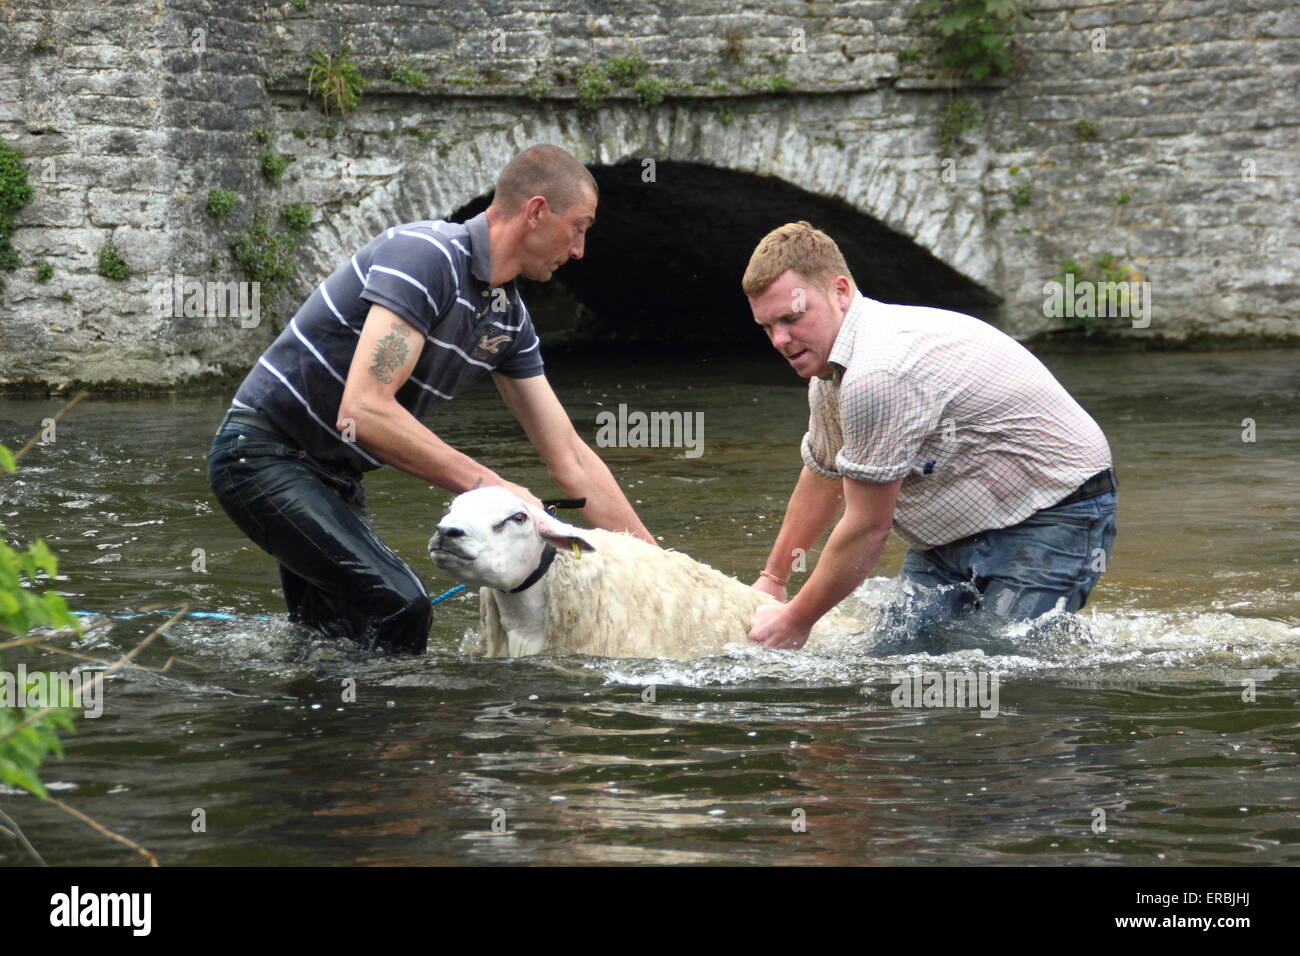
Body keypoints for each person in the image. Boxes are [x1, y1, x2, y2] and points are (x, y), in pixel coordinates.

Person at [208, 144, 653, 654]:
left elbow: (570, 457)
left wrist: (662, 566)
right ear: (536, 211)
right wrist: (495, 487)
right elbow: (365, 410)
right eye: (579, 227)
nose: (579, 250)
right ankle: (405, 731)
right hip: (261, 454)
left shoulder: (509, 321)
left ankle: (325, 729)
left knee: (333, 646)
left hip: (335, 478)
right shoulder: (426, 256)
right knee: (400, 605)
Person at [743, 221, 1117, 653]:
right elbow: (824, 475)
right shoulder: (831, 376)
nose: (780, 340)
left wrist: (797, 620)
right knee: (891, 665)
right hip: (951, 532)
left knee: (998, 667)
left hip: (1056, 508)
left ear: (840, 292)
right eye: (767, 327)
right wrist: (773, 580)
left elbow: (867, 527)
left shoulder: (877, 373)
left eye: (791, 318)